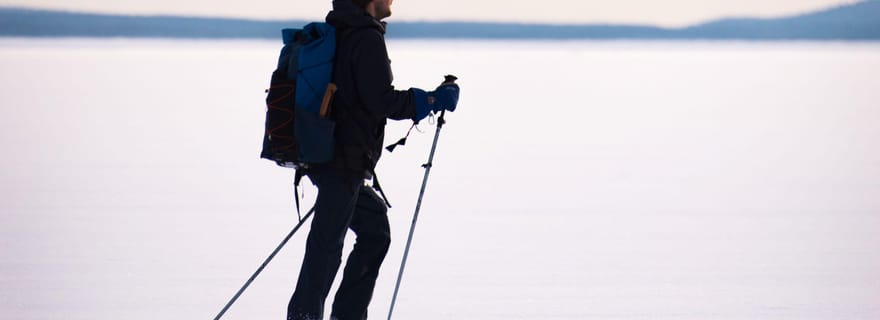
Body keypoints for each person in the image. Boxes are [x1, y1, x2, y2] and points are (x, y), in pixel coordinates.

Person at [287, 0, 460, 319]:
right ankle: (304, 315)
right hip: (343, 161)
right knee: (326, 248)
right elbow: (381, 100)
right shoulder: (365, 37)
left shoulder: (342, 28)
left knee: (373, 229)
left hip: (331, 157)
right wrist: (433, 100)